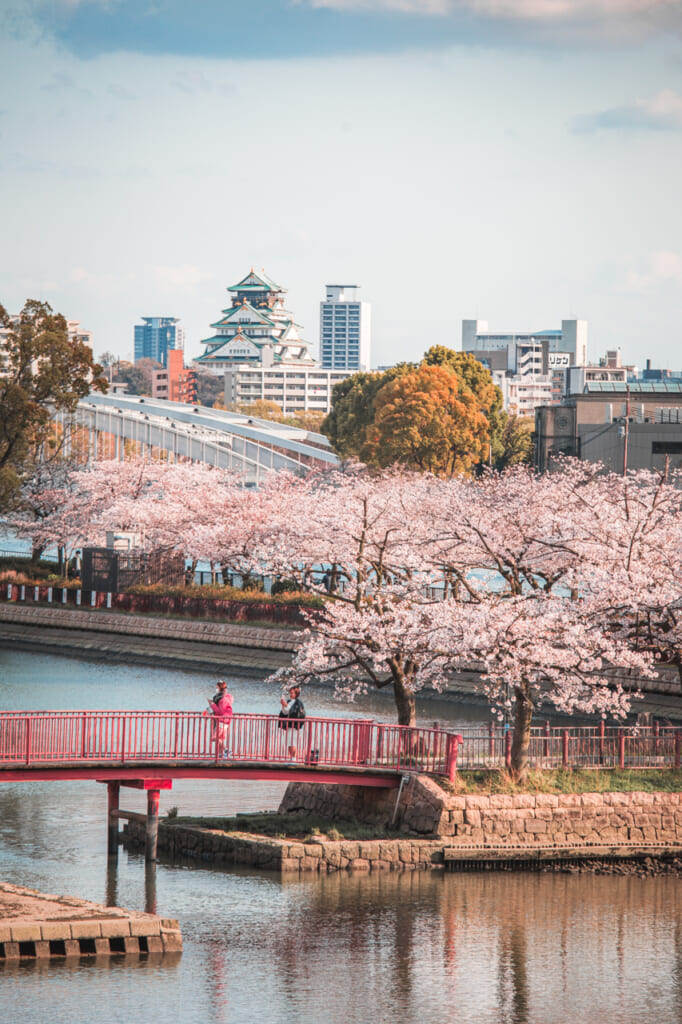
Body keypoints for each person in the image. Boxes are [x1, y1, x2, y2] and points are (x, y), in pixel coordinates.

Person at [204, 680, 233, 758]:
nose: (216, 689)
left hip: (222, 721)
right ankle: (220, 755)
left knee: (215, 737)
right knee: (219, 738)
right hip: (225, 721)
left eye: (217, 687)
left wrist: (212, 704)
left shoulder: (223, 699)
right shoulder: (225, 698)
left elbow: (220, 711)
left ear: (220, 688)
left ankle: (226, 750)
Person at [278, 685, 306, 761]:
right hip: (289, 725)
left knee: (292, 742)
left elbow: (293, 711)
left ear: (296, 694)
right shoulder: (290, 701)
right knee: (289, 742)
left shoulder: (298, 703)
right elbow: (285, 712)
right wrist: (283, 705)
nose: (290, 695)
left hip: (294, 726)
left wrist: (286, 705)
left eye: (292, 693)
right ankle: (291, 757)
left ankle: (294, 758)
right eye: (290, 693)